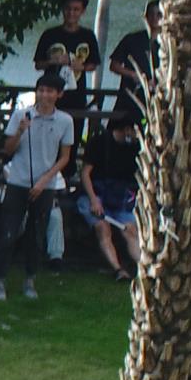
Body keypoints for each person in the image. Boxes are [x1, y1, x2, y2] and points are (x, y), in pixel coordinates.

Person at [0, 72, 77, 302]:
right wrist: (20, 130)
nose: (44, 95)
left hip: (45, 185)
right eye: (41, 90)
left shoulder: (65, 121)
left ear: (58, 94)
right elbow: (8, 151)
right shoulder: (21, 114)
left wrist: (45, 180)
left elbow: (65, 157)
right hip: (18, 181)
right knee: (8, 233)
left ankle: (30, 280)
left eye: (50, 91)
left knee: (36, 235)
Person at [82, 110, 146, 280]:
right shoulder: (100, 143)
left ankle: (145, 268)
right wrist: (94, 200)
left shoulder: (134, 148)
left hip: (120, 198)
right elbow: (85, 173)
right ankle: (118, 269)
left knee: (131, 229)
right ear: (127, 130)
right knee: (103, 228)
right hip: (95, 194)